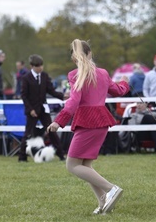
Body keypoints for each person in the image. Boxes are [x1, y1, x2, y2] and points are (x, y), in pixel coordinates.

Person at [47, 39, 129, 215]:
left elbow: (73, 101)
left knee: (71, 165)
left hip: (87, 122)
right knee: (85, 165)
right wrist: (125, 83)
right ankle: (103, 202)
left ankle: (111, 189)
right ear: (90, 53)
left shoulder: (74, 75)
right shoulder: (103, 73)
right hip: (101, 122)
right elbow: (118, 91)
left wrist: (58, 121)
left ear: (74, 58)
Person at [18, 54, 66, 162]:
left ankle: (61, 154)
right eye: (37, 66)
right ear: (32, 66)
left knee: (51, 131)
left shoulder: (44, 76)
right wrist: (30, 109)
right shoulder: (26, 78)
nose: (40, 68)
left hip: (43, 109)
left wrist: (62, 96)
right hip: (32, 111)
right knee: (28, 133)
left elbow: (51, 90)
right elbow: (24, 96)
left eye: (41, 65)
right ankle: (22, 156)